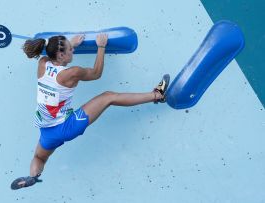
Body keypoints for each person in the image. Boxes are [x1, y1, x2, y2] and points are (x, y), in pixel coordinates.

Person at [11, 33, 170, 190]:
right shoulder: (72, 72)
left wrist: (70, 44)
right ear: (61, 54)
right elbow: (96, 73)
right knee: (108, 97)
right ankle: (157, 95)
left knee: (39, 157)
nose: (73, 51)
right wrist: (101, 46)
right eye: (70, 50)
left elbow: (53, 55)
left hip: (46, 131)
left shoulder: (42, 63)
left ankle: (32, 177)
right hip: (67, 126)